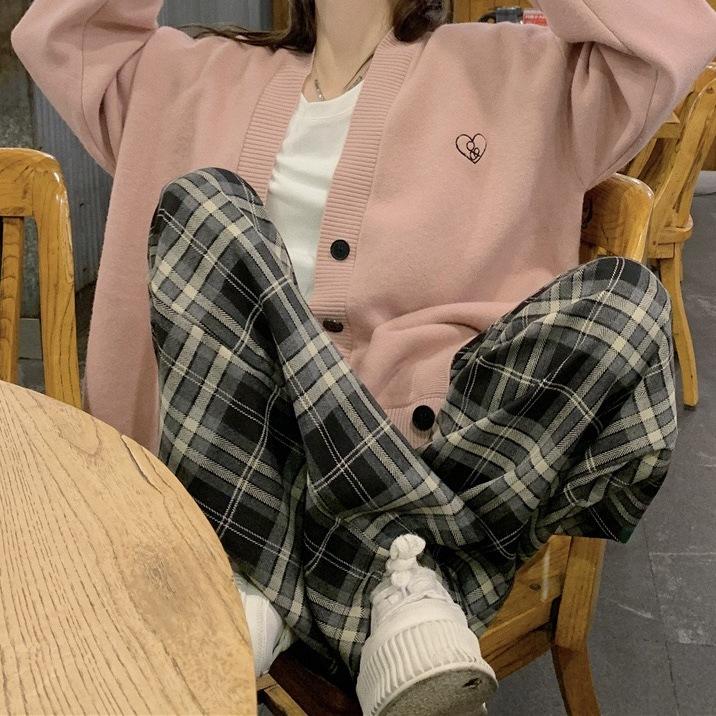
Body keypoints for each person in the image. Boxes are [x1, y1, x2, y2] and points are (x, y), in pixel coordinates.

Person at [12, 1, 716, 713]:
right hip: (237, 464)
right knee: (205, 210)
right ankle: (398, 586)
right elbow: (63, 33)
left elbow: (671, 31)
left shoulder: (526, 70)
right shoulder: (185, 74)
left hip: (424, 443)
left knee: (625, 308)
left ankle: (268, 582)